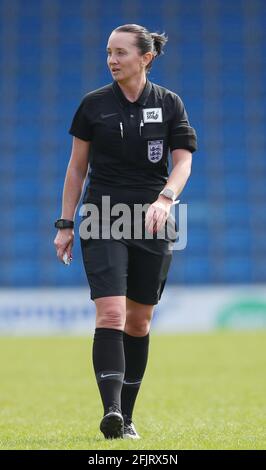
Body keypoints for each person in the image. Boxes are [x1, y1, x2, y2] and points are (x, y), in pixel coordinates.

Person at [54, 24, 197, 440]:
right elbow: (76, 168)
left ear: (145, 57)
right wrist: (65, 222)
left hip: (153, 219)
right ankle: (111, 413)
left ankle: (128, 416)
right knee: (112, 313)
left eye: (120, 52)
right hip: (102, 217)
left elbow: (183, 162)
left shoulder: (169, 104)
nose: (112, 59)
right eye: (108, 52)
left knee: (138, 322)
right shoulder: (93, 105)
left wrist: (165, 198)